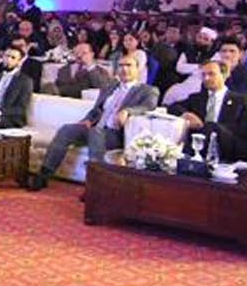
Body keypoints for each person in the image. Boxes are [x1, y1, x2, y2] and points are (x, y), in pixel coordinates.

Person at [28, 53, 155, 190]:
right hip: (96, 128)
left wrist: (128, 111)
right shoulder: (110, 86)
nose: (124, 69)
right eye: (121, 66)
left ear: (138, 69)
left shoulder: (146, 90)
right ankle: (44, 175)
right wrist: (87, 120)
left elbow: (149, 106)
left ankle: (95, 186)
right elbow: (97, 109)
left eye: (129, 66)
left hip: (115, 133)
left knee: (96, 133)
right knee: (67, 130)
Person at [178, 59, 247, 163]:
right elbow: (173, 107)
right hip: (200, 142)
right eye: (203, 75)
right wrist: (186, 114)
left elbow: (246, 131)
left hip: (229, 144)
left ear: (224, 75)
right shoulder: (196, 98)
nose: (206, 78)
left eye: (211, 74)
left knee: (211, 127)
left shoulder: (241, 100)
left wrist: (209, 128)